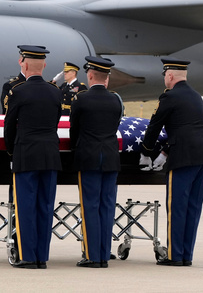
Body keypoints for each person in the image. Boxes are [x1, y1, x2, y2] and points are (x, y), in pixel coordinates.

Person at [142, 59, 203, 266]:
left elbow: (154, 127)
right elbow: (187, 128)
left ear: (169, 76)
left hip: (184, 157)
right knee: (193, 208)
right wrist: (166, 151)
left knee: (177, 207)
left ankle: (174, 256)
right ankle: (186, 255)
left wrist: (146, 151)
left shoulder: (169, 97)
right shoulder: (196, 96)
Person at [3, 45, 61, 269]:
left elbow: (9, 126)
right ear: (44, 65)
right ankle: (41, 257)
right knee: (46, 206)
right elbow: (55, 121)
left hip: (25, 154)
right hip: (50, 155)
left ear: (24, 65)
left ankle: (27, 256)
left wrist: (11, 150)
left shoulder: (18, 92)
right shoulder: (55, 92)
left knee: (26, 206)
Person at [69, 56, 122, 268]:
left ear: (90, 76)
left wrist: (75, 150)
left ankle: (92, 257)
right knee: (107, 206)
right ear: (107, 79)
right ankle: (103, 253)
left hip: (89, 157)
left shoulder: (81, 100)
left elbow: (75, 130)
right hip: (110, 157)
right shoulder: (116, 100)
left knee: (90, 205)